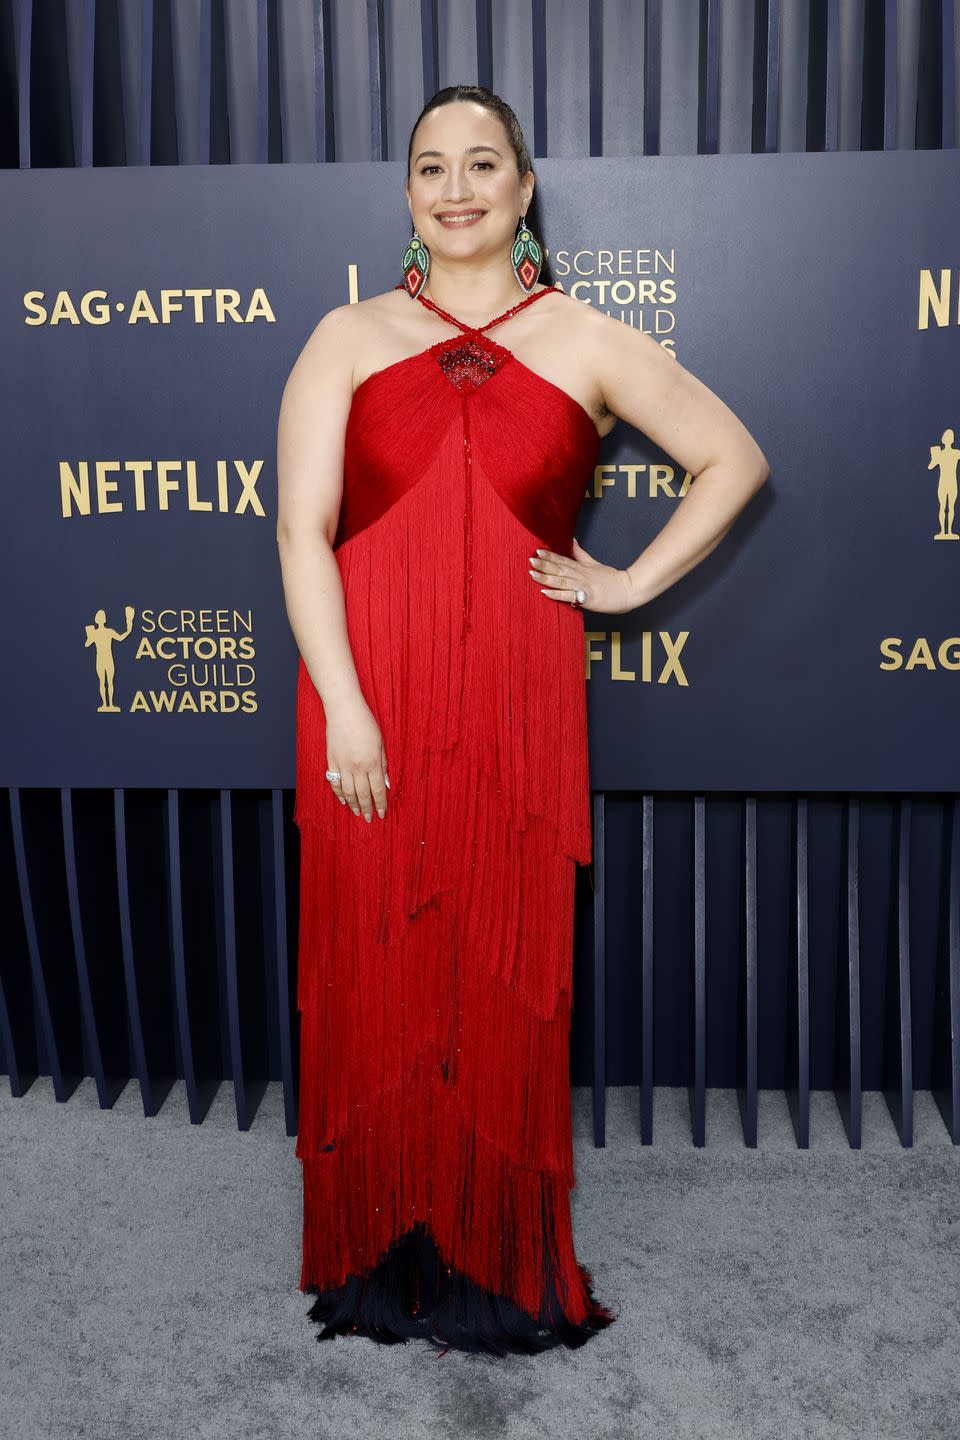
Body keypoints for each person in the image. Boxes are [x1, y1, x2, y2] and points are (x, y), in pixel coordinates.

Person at [276, 83, 769, 1359]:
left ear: (524, 187)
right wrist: (343, 708)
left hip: (514, 703)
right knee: (377, 957)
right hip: (367, 697)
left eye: (482, 164)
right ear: (407, 195)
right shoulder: (343, 335)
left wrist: (629, 583)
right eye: (432, 167)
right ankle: (384, 1252)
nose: (456, 188)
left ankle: (500, 1259)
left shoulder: (591, 340)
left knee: (502, 971)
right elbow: (301, 532)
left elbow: (733, 457)